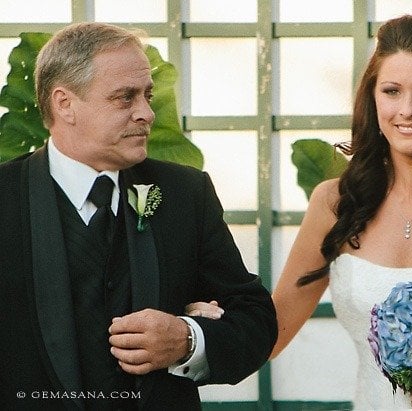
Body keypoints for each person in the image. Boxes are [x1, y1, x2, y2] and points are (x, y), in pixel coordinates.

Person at [187, 15, 412, 410]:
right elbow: (274, 331)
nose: (407, 110)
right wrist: (212, 326)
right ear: (372, 97)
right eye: (392, 91)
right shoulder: (335, 205)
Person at [0, 22, 277, 410]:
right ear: (64, 104)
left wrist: (188, 338)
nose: (146, 112)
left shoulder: (184, 194)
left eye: (146, 95)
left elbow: (256, 319)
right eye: (124, 98)